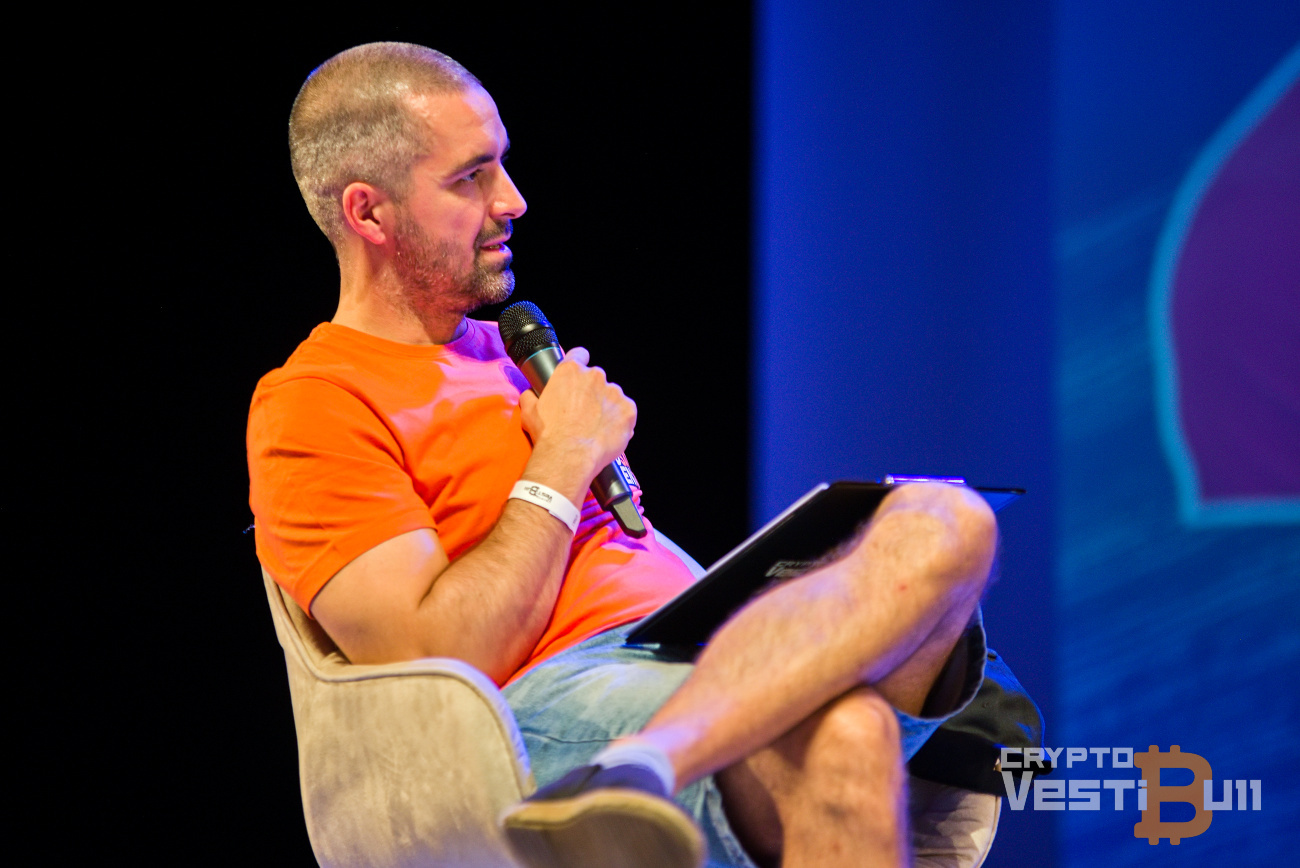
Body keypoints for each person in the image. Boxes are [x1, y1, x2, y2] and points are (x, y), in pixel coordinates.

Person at [248, 42, 998, 868]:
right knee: (848, 733)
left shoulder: (512, 351)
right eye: (471, 177)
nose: (513, 200)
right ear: (369, 214)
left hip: (697, 655)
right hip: (554, 700)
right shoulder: (314, 401)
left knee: (946, 519)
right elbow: (437, 662)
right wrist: (564, 458)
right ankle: (643, 761)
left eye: (503, 165)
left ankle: (650, 762)